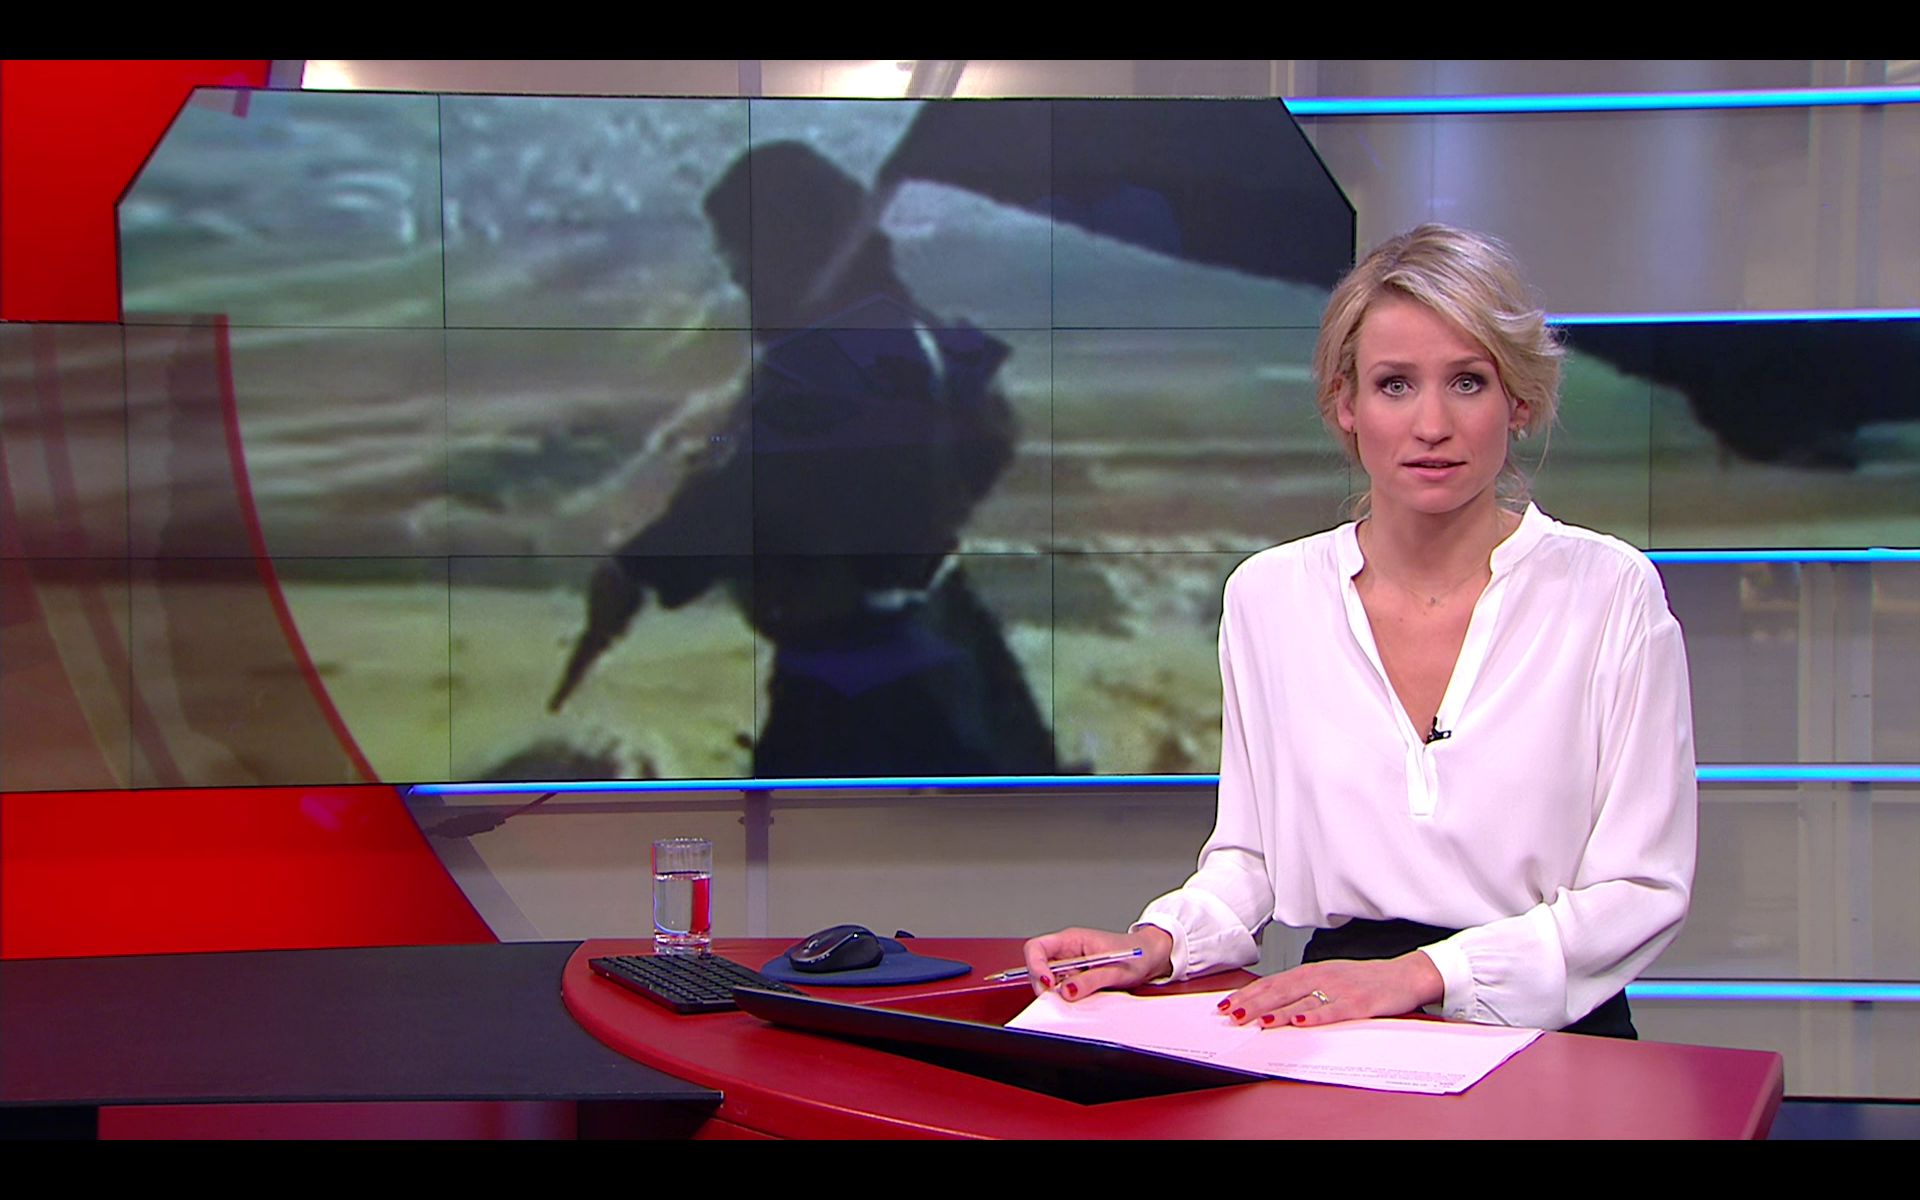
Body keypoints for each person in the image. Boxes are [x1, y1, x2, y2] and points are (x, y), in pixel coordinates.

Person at [1023, 224, 1697, 1038]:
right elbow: (1252, 856)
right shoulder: (1270, 598)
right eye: (1395, 385)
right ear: (1346, 405)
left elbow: (1641, 888)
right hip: (1336, 1023)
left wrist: (1420, 977)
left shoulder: (1609, 593)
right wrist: (1158, 942)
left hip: (1548, 1030)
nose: (1432, 424)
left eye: (1468, 382)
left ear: (1518, 402)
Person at [549, 141, 1057, 778]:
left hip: (864, 684)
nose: (738, 276)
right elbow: (988, 437)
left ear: (788, 244)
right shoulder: (902, 334)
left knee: (809, 837)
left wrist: (638, 567)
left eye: (742, 252)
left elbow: (753, 492)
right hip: (936, 645)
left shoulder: (842, 355)